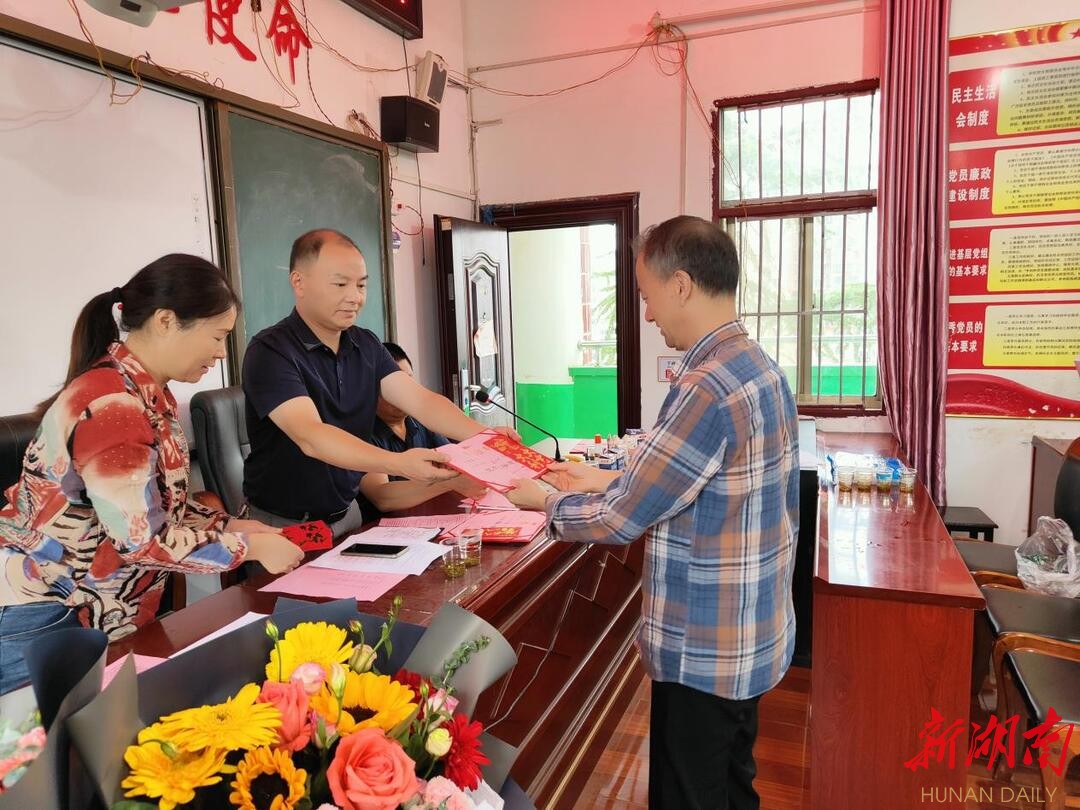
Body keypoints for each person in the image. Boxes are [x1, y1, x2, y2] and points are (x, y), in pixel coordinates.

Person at [508, 216, 799, 810]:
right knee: (732, 784)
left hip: (704, 650)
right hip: (749, 632)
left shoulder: (706, 386)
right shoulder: (758, 367)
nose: (646, 314)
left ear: (682, 285)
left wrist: (547, 501)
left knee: (689, 795)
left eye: (647, 295)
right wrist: (610, 477)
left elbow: (622, 521)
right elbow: (704, 482)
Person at [0, 255, 303, 696]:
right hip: (47, 613)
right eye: (218, 336)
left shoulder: (146, 393)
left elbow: (159, 505)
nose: (221, 352)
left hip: (94, 608)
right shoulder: (114, 405)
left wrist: (228, 526)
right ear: (165, 321)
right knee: (47, 739)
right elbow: (141, 540)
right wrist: (249, 548)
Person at [242, 229, 515, 537]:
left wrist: (485, 436)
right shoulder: (271, 351)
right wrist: (398, 463)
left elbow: (420, 401)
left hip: (348, 514)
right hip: (285, 524)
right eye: (340, 284)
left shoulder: (366, 344)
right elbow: (311, 436)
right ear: (299, 282)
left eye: (361, 285)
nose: (355, 297)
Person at [357, 342, 486, 519]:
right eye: (396, 386)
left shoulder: (420, 421)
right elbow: (382, 497)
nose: (405, 392)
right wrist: (449, 483)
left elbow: (453, 460)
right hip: (384, 528)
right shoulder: (361, 432)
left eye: (409, 381)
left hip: (428, 519)